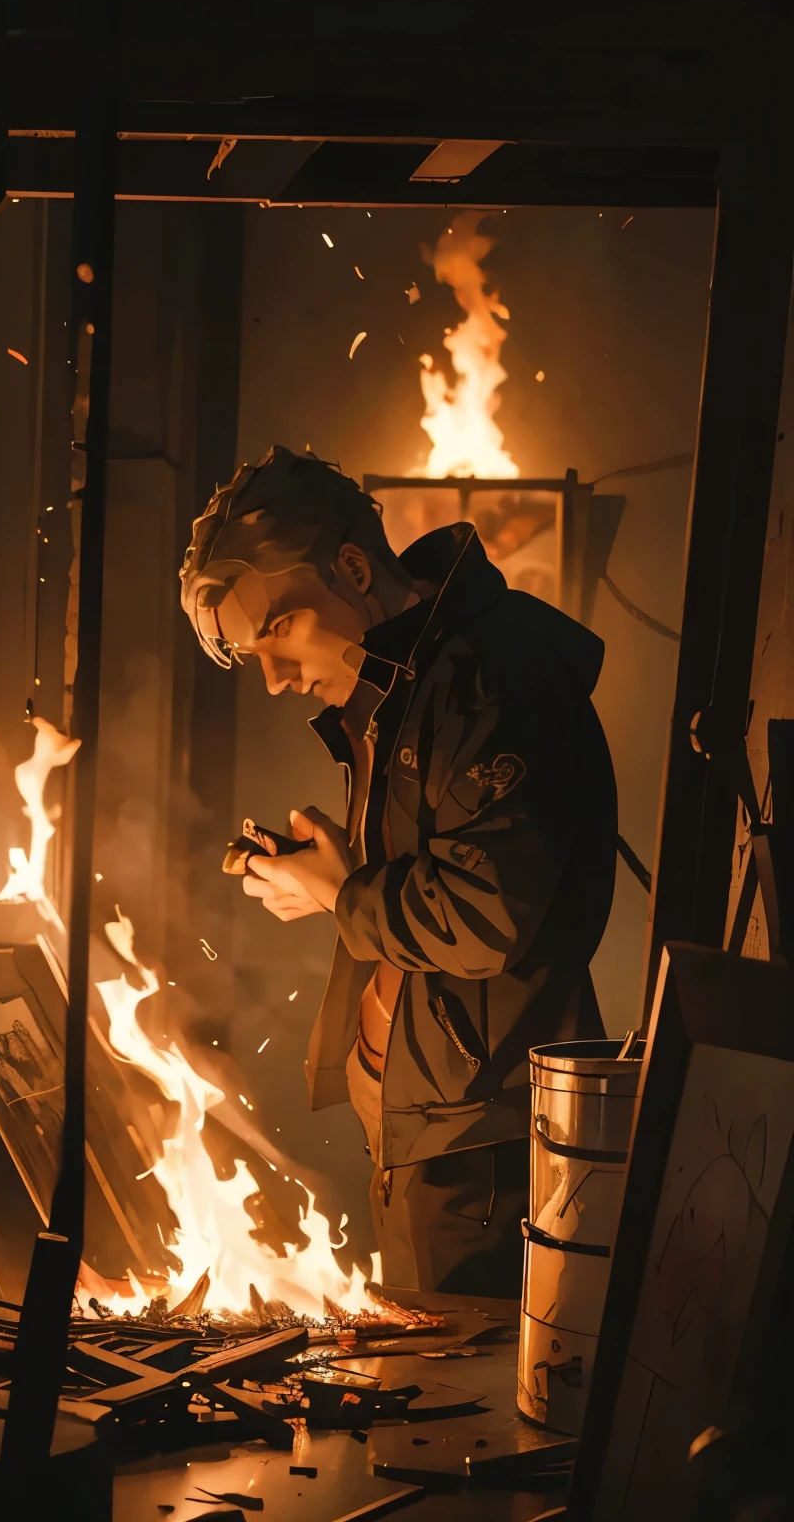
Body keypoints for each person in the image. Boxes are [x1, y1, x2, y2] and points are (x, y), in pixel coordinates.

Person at [179, 445, 617, 1298]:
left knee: (466, 1416)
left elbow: (484, 915)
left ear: (350, 566)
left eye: (275, 627)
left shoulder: (494, 678)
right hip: (430, 1128)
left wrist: (343, 891)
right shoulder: (409, 678)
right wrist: (321, 883)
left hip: (478, 1145)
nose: (269, 679)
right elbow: (433, 874)